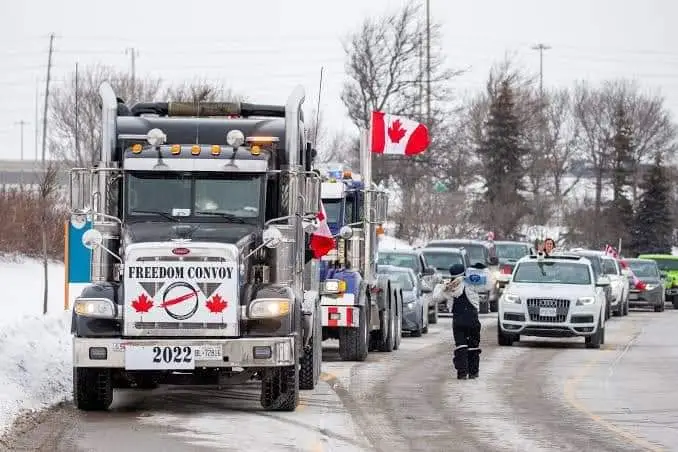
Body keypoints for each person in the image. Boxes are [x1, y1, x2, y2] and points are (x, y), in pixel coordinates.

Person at [432, 264, 482, 380]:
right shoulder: (470, 283)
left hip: (458, 320)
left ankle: (462, 373)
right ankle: (473, 372)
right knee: (473, 346)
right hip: (472, 319)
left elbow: (436, 298)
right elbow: (486, 284)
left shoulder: (450, 287)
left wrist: (444, 286)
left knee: (461, 346)